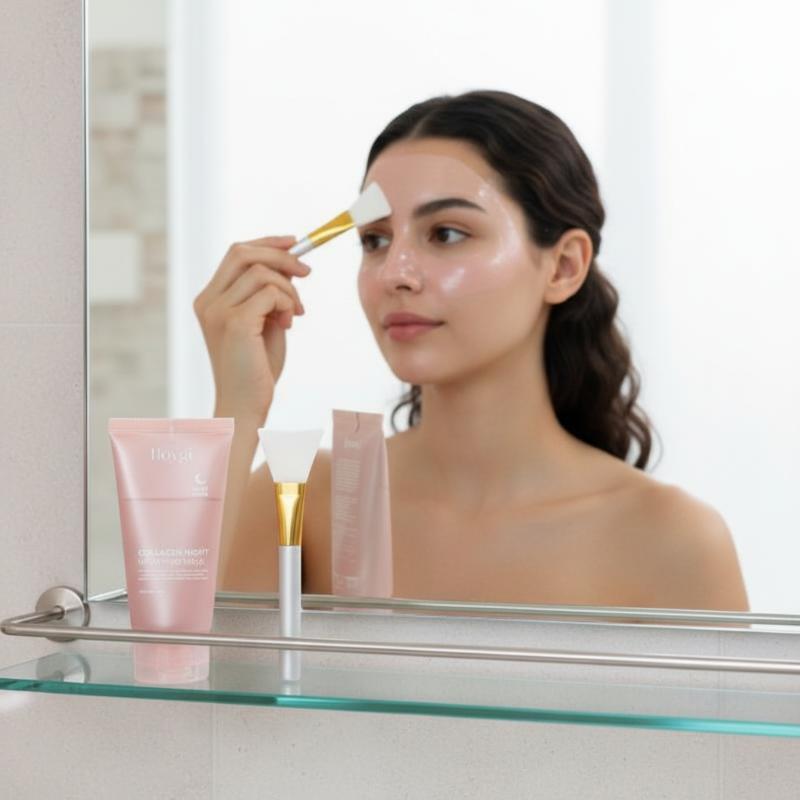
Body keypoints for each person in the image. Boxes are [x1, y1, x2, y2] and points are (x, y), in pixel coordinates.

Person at [194, 89, 749, 611]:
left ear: (563, 266)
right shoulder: (299, 500)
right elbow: (184, 669)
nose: (395, 273)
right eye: (375, 240)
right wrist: (239, 408)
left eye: (447, 234)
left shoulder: (673, 541)